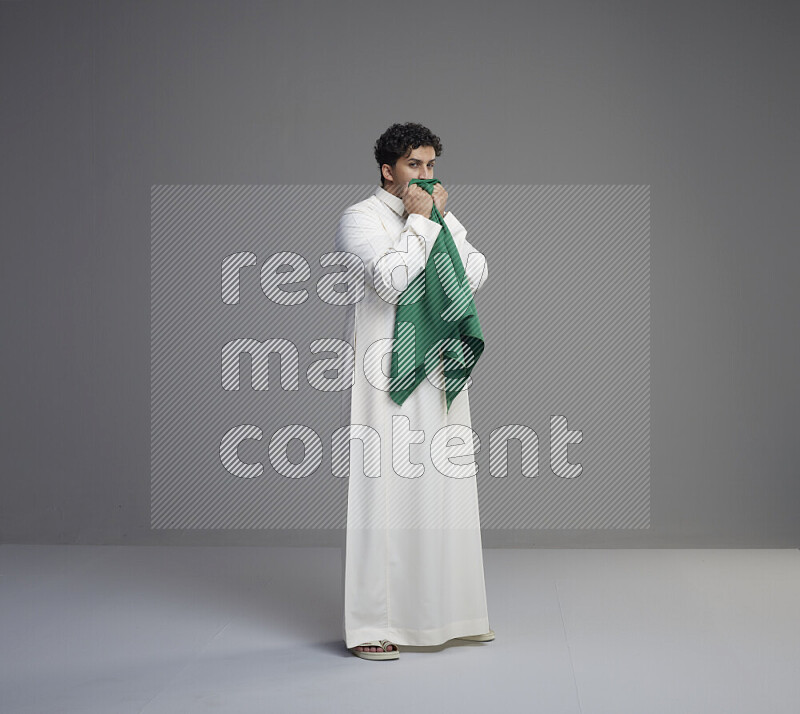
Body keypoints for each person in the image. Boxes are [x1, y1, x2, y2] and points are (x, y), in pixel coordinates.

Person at [335, 122, 493, 660]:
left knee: (442, 488)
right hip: (385, 371)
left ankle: (448, 614)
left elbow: (475, 273)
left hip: (436, 365)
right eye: (414, 166)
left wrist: (442, 221)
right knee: (383, 493)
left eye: (431, 166)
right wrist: (424, 225)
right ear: (388, 169)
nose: (426, 177)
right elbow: (392, 282)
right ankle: (372, 626)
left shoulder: (434, 215)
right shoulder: (360, 218)